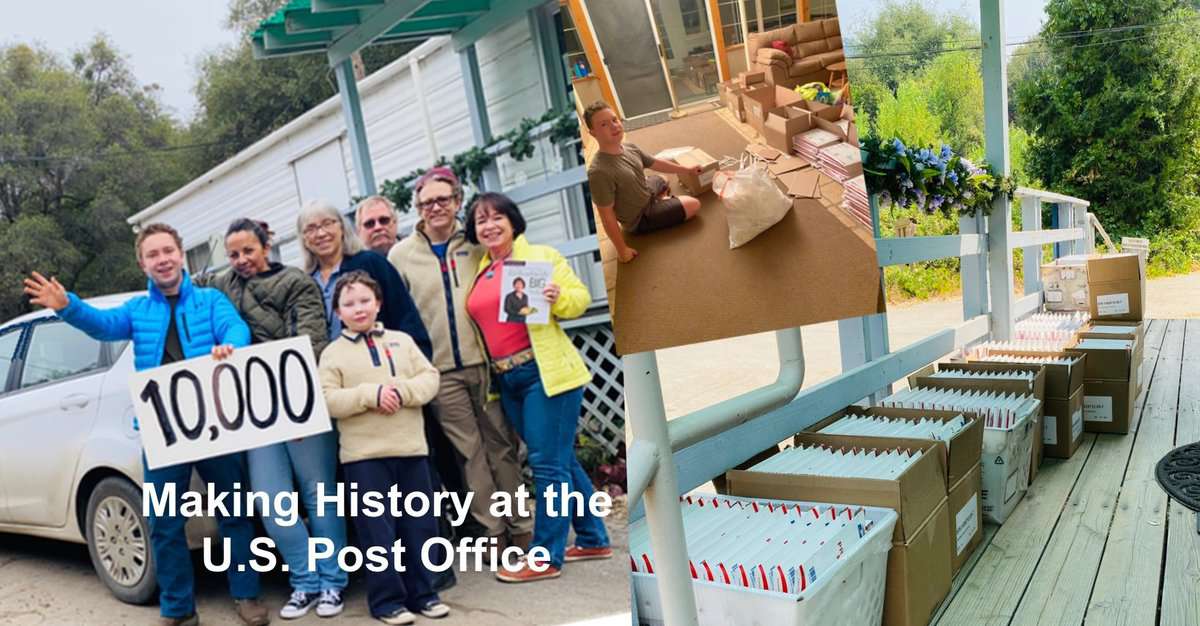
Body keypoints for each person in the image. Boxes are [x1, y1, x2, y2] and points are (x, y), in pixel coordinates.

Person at [22, 223, 269, 626]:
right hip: (163, 432)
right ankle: (177, 608)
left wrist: (232, 347)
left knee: (235, 514)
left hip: (217, 425)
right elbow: (102, 325)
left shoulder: (211, 300)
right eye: (153, 255)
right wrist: (67, 305)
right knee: (164, 522)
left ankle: (247, 595)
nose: (163, 259)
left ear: (180, 254)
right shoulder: (138, 311)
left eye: (168, 251)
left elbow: (236, 328)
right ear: (143, 264)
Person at [297, 199, 460, 591]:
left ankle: (431, 569)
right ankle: (380, 574)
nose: (320, 233)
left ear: (341, 227)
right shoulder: (305, 280)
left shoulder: (368, 264)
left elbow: (405, 316)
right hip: (343, 391)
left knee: (415, 487)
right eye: (310, 229)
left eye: (327, 224)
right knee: (365, 490)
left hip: (392, 387)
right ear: (303, 239)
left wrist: (406, 375)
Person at [201, 218, 347, 620]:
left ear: (266, 246)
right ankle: (305, 581)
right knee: (270, 500)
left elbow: (311, 341)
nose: (242, 260)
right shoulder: (221, 287)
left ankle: (333, 580)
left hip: (300, 401)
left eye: (249, 250)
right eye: (233, 254)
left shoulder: (297, 282)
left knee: (320, 495)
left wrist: (298, 405)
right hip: (254, 411)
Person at [464, 193, 613, 583]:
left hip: (545, 375)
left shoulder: (540, 257)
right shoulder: (481, 271)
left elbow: (579, 300)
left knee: (547, 466)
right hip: (506, 380)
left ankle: (545, 556)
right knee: (560, 461)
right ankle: (594, 538)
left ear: (513, 221)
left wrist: (558, 297)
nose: (490, 225)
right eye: (481, 220)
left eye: (497, 217)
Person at [387, 168, 534, 555]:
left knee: (502, 447)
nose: (435, 207)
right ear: (417, 208)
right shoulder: (401, 255)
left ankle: (521, 526)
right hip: (439, 373)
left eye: (443, 200)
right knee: (469, 454)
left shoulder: (475, 242)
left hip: (487, 364)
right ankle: (492, 534)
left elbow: (512, 269)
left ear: (456, 201)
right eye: (426, 202)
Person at [318, 271, 450, 625]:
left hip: (410, 452)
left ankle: (424, 593)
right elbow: (328, 399)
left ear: (377, 303)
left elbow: (429, 378)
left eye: (364, 301)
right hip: (364, 459)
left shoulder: (403, 342)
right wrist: (370, 395)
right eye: (348, 303)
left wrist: (402, 392)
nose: (358, 309)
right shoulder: (332, 354)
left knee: (419, 526)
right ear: (337, 311)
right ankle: (387, 601)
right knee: (378, 532)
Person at [584, 100, 704, 263]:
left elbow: (655, 163)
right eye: (604, 124)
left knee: (663, 178)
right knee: (693, 204)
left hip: (645, 192)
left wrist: (687, 169)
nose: (614, 126)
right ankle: (660, 204)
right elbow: (607, 216)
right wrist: (622, 250)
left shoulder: (629, 147)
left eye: (614, 120)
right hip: (639, 217)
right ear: (593, 133)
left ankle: (660, 200)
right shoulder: (598, 172)